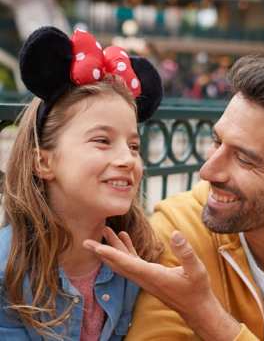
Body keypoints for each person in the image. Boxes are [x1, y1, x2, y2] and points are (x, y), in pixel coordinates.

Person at [85, 55, 264, 341]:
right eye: (217, 142)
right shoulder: (180, 229)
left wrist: (202, 313)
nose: (207, 171)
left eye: (245, 159)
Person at [0, 26, 163, 340]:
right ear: (44, 161)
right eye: (102, 140)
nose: (128, 160)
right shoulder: (8, 269)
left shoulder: (137, 258)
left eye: (134, 146)